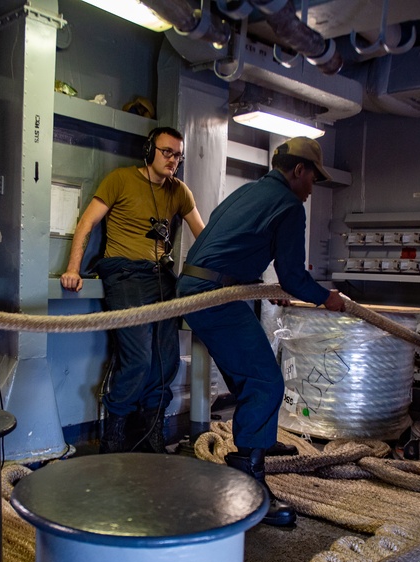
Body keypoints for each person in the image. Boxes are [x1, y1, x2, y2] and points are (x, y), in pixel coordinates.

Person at [176, 137, 349, 527]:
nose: (310, 190)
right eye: (312, 180)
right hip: (213, 295)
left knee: (253, 374)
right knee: (266, 382)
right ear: (299, 171)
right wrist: (327, 298)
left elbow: (230, 248)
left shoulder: (252, 191)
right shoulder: (288, 205)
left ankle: (259, 442)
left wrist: (269, 289)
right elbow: (292, 274)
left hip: (203, 285)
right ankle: (247, 484)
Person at [60, 127, 205, 454]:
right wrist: (72, 268)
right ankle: (114, 438)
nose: (173, 160)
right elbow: (87, 223)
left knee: (166, 361)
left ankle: (153, 434)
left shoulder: (179, 192)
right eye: (167, 152)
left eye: (178, 155)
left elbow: (204, 235)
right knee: (138, 359)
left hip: (160, 277)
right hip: (124, 273)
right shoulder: (120, 180)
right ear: (149, 150)